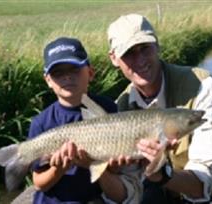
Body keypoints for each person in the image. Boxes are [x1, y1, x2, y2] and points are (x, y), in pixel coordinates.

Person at [107, 14, 212, 204]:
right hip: (164, 188)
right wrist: (114, 170)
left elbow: (204, 182)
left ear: (157, 46)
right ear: (114, 59)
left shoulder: (203, 86)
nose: (140, 59)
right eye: (129, 53)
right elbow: (130, 185)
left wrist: (162, 174)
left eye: (144, 49)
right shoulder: (121, 106)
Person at [27, 37, 141, 204]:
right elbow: (39, 183)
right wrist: (59, 168)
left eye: (74, 69)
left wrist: (112, 164)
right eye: (58, 73)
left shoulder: (108, 108)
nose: (67, 77)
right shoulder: (41, 122)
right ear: (48, 81)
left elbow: (115, 168)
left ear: (90, 73)